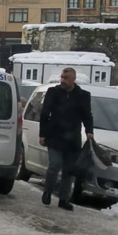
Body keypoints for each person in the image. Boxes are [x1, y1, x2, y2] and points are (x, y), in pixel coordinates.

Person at [39, 67, 94, 211]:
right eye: (61, 77)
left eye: (65, 78)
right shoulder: (53, 92)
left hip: (72, 139)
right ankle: (48, 192)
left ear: (73, 79)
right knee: (55, 165)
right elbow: (44, 114)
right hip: (55, 137)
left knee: (69, 171)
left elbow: (87, 115)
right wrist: (42, 134)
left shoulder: (82, 95)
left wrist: (89, 131)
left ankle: (63, 199)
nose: (62, 80)